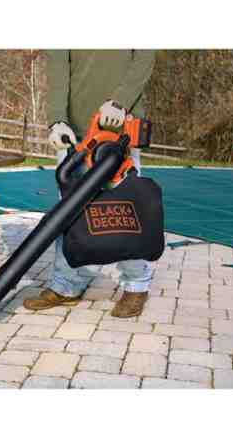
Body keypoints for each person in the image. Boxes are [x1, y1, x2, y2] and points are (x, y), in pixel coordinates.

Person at [23, 49, 157, 318]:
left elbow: (145, 57)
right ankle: (66, 285)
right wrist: (56, 119)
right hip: (74, 133)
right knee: (69, 215)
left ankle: (136, 284)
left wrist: (120, 102)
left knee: (125, 210)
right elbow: (58, 70)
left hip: (121, 126)